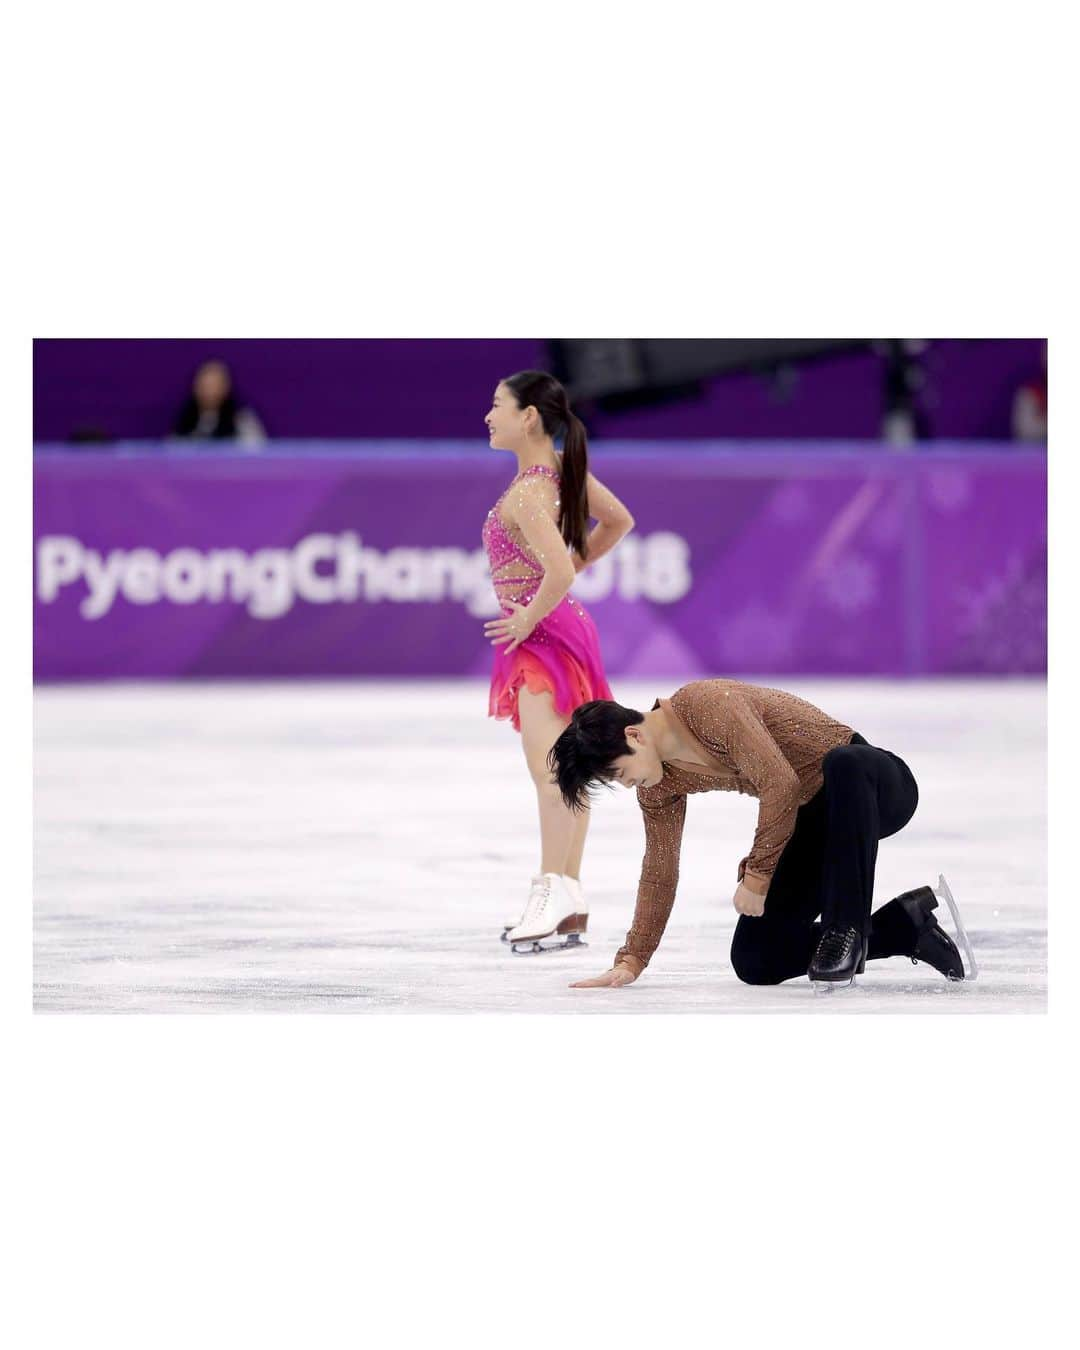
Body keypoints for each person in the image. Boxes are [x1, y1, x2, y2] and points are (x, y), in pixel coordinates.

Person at [546, 680, 974, 989]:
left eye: (621, 773)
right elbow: (659, 870)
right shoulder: (661, 784)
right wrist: (633, 959)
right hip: (810, 819)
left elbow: (780, 783)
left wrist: (758, 875)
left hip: (873, 789)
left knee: (844, 762)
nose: (627, 785)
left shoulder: (708, 705)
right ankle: (905, 927)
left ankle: (847, 931)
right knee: (756, 958)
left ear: (634, 735)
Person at [482, 371, 634, 953]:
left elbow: (563, 570)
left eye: (497, 405)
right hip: (564, 627)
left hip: (543, 636)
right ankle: (568, 893)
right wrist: (563, 583)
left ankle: (553, 892)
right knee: (567, 768)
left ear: (528, 417)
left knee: (549, 771)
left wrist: (527, 616)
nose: (488, 416)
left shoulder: (526, 492)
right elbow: (619, 521)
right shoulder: (561, 476)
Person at [172, 359, 266, 446]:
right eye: (205, 386)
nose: (209, 392)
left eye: (215, 386)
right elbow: (172, 451)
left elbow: (256, 452)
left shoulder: (242, 419)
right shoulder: (185, 421)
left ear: (226, 387)